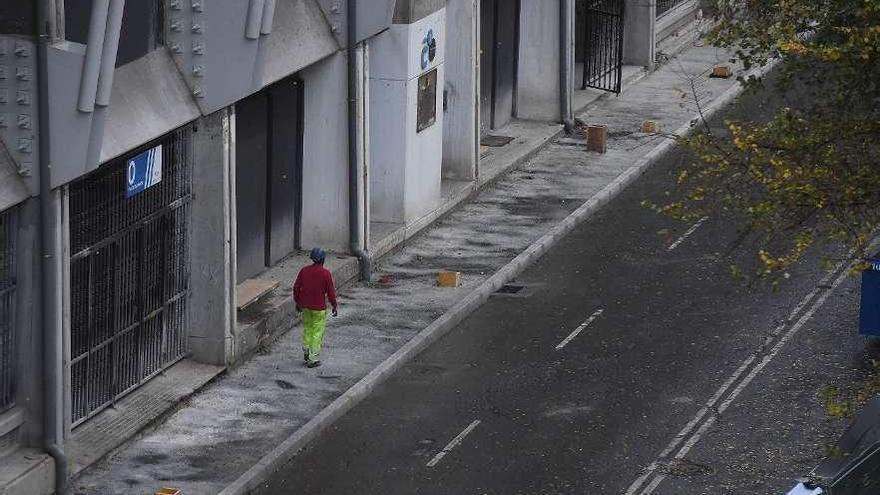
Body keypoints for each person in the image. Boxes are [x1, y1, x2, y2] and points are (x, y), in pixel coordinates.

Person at [293, 248, 338, 368]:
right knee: (317, 332)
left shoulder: (304, 271)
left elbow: (296, 288)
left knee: (307, 328)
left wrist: (298, 302)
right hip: (319, 308)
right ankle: (313, 358)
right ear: (323, 260)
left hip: (305, 307)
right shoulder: (325, 274)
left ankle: (306, 351)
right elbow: (331, 293)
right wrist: (334, 305)